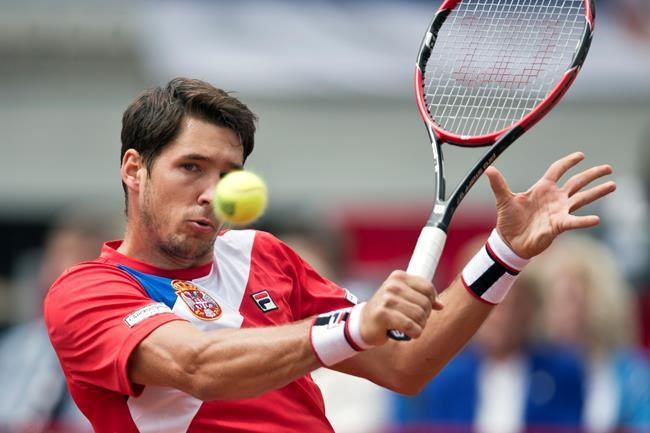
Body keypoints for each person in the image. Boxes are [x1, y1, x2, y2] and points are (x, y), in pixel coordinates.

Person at [43, 77, 616, 433]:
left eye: (229, 174)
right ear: (134, 169)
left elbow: (403, 364)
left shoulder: (263, 255)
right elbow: (198, 366)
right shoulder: (88, 291)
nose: (213, 193)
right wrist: (354, 323)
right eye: (190, 167)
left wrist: (504, 253)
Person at [389, 237, 585, 433]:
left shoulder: (562, 372)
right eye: (489, 308)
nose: (500, 318)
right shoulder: (442, 375)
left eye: (512, 305)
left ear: (530, 310)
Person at [0, 205, 120, 433]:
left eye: (80, 258)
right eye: (57, 256)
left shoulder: (125, 349)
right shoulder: (14, 346)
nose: (63, 270)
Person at [534, 235, 650, 433]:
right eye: (552, 296)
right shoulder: (532, 371)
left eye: (571, 297)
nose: (561, 311)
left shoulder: (634, 375)